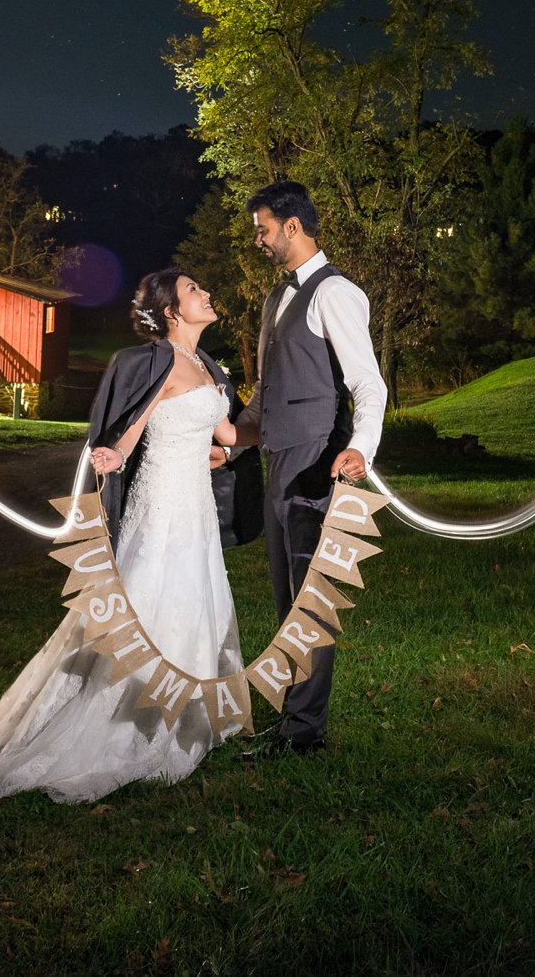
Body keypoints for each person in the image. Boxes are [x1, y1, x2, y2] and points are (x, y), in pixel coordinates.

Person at [0, 268, 245, 806]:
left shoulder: (207, 365)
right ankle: (133, 721)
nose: (206, 293)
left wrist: (282, 425)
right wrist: (114, 454)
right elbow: (131, 426)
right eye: (196, 289)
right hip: (161, 507)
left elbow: (230, 434)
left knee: (198, 599)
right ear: (171, 310)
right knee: (152, 602)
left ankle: (188, 711)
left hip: (195, 509)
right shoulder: (160, 362)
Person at [231, 180, 386, 758]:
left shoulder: (335, 293)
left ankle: (304, 732)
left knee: (309, 599)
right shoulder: (279, 298)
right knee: (286, 598)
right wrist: (235, 443)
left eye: (263, 230)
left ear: (293, 227)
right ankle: (296, 719)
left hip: (317, 462)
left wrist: (361, 447)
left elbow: (367, 383)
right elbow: (267, 393)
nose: (258, 241)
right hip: (277, 462)